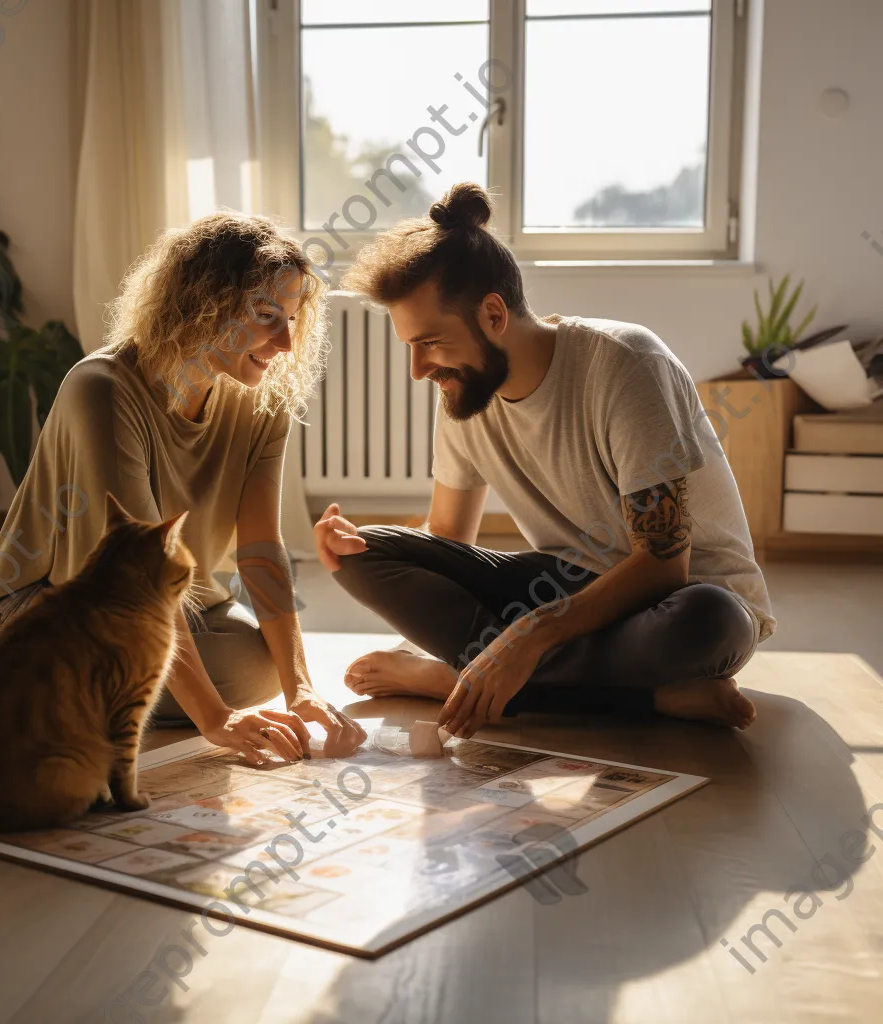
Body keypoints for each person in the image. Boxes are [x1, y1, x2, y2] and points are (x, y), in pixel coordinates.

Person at [315, 182, 771, 739]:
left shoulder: (627, 364)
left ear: (493, 314)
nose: (418, 369)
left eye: (430, 342)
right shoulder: (463, 393)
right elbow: (448, 535)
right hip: (563, 588)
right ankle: (649, 700)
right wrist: (359, 548)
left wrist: (529, 637)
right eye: (410, 345)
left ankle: (452, 678)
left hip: (674, 600)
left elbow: (662, 562)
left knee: (709, 621)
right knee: (365, 552)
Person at [0, 212, 366, 761]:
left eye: (293, 318)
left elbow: (261, 548)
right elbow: (139, 571)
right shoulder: (101, 389)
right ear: (203, 304)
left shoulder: (260, 398)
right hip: (43, 610)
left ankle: (103, 697)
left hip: (164, 608)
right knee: (198, 678)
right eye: (268, 315)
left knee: (265, 665)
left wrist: (302, 689)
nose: (287, 342)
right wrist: (217, 720)